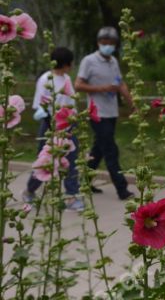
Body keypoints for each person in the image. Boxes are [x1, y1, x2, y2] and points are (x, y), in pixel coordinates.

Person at [74, 27, 135, 200]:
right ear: (99, 43)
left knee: (98, 149)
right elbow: (78, 85)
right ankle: (122, 189)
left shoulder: (113, 62)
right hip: (96, 112)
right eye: (104, 43)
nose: (107, 46)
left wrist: (132, 103)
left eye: (111, 44)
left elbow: (120, 84)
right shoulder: (89, 61)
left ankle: (84, 181)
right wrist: (101, 88)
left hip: (111, 111)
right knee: (110, 150)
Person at [22, 47, 85, 212]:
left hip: (68, 124)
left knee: (71, 159)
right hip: (50, 125)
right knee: (45, 160)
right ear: (65, 64)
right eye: (70, 63)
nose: (71, 66)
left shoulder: (66, 78)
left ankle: (71, 196)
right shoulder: (45, 79)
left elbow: (71, 103)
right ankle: (30, 190)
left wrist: (74, 120)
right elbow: (40, 107)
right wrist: (53, 127)